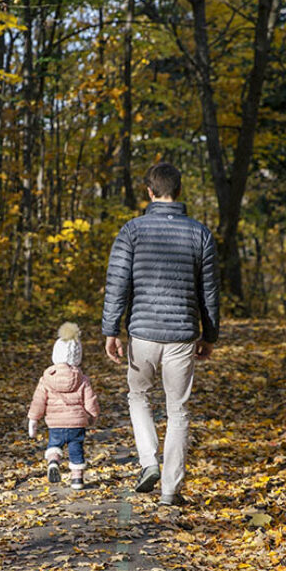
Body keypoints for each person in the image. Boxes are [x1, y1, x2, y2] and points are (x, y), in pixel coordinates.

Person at [101, 162, 220, 506]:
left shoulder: (132, 231)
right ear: (179, 191)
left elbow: (117, 283)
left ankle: (149, 461)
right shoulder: (200, 233)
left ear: (149, 192)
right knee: (178, 411)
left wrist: (111, 329)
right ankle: (170, 490)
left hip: (143, 334)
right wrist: (209, 335)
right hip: (182, 335)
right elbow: (209, 291)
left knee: (138, 397)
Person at [27, 322, 100, 490]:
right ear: (77, 356)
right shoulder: (82, 379)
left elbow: (38, 401)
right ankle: (77, 480)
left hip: (55, 423)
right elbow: (90, 401)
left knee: (54, 445)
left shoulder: (47, 378)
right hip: (76, 424)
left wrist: (33, 420)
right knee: (76, 450)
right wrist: (93, 416)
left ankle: (53, 462)